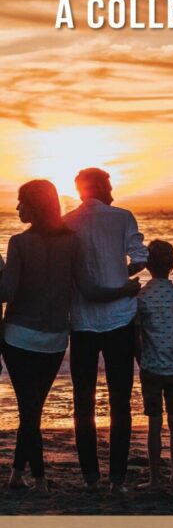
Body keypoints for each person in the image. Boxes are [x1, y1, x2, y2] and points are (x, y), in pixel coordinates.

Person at [64, 167, 148, 493]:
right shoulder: (123, 217)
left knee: (82, 400)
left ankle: (90, 478)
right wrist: (120, 273)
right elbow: (141, 257)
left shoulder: (67, 222)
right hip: (119, 320)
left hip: (81, 322)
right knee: (120, 400)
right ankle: (117, 479)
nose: (113, 189)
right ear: (100, 185)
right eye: (110, 183)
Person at [0, 181, 81, 493]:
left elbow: (7, 292)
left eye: (22, 203)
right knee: (32, 408)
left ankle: (39, 479)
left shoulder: (19, 243)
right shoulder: (72, 242)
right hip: (55, 337)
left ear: (35, 206)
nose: (18, 209)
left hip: (19, 336)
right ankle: (17, 473)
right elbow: (83, 285)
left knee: (29, 409)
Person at [135, 240, 173, 491]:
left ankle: (155, 478)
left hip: (151, 367)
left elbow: (137, 336)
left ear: (147, 265)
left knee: (154, 424)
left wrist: (142, 361)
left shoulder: (142, 296)